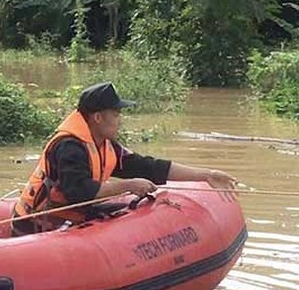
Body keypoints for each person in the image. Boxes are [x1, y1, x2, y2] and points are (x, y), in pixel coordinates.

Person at [12, 81, 237, 235]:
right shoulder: (69, 147)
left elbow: (148, 166)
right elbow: (79, 192)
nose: (120, 120)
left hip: (68, 219)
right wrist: (127, 186)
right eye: (116, 114)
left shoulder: (105, 145)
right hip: (36, 225)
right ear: (98, 117)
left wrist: (206, 174)